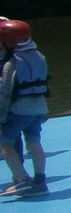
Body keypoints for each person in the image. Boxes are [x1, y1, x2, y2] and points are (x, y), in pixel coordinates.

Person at [1, 20, 49, 197]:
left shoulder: (12, 63)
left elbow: (5, 91)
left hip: (19, 110)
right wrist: (44, 110)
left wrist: (1, 116)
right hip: (38, 108)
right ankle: (40, 182)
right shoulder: (40, 56)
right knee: (34, 142)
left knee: (5, 144)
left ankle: (21, 180)